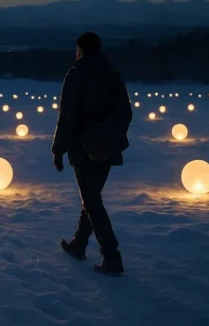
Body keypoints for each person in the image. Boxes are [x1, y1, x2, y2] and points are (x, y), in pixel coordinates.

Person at [52, 31, 133, 276]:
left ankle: (111, 256)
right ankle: (79, 243)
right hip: (107, 148)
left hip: (83, 149)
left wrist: (58, 150)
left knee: (92, 202)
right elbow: (125, 113)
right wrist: (111, 135)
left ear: (81, 50)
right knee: (92, 197)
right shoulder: (112, 75)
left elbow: (67, 117)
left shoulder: (76, 75)